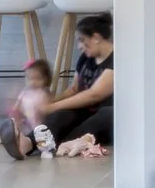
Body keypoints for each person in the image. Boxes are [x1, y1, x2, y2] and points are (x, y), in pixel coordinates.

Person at [31, 15, 113, 157]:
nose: (79, 46)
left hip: (105, 117)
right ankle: (26, 142)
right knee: (62, 114)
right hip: (84, 112)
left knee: (106, 114)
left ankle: (59, 143)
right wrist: (52, 102)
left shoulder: (117, 59)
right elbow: (74, 89)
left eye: (82, 40)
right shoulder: (86, 58)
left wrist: (51, 107)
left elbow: (95, 95)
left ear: (96, 38)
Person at [0, 58, 54, 159]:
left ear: (46, 79)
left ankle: (44, 148)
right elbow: (18, 104)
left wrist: (45, 108)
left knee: (42, 134)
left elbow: (49, 110)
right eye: (30, 79)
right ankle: (7, 137)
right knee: (18, 129)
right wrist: (14, 111)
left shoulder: (44, 93)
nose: (33, 82)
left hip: (40, 124)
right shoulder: (25, 92)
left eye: (37, 79)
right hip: (27, 123)